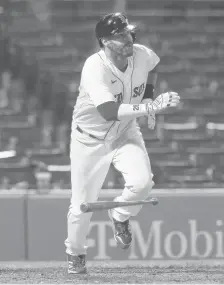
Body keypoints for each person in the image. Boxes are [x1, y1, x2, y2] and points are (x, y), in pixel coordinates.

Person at [65, 12, 180, 274]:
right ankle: (75, 253)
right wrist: (151, 105)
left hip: (125, 132)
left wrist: (149, 98)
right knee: (82, 204)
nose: (128, 38)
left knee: (142, 184)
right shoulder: (94, 67)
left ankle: (120, 216)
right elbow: (107, 110)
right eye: (120, 35)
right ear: (105, 42)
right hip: (89, 140)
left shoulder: (141, 54)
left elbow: (153, 66)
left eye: (128, 32)